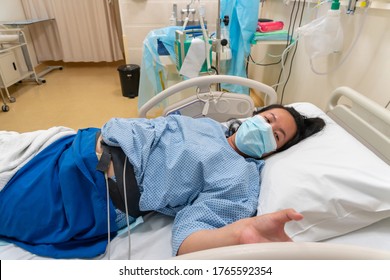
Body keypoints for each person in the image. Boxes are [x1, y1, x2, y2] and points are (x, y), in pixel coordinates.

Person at [0, 104, 325, 259]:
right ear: (255, 114)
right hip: (70, 145)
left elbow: (186, 240)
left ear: (274, 152)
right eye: (268, 120)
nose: (266, 130)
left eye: (277, 136)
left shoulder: (239, 178)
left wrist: (239, 233)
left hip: (85, 191)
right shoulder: (210, 126)